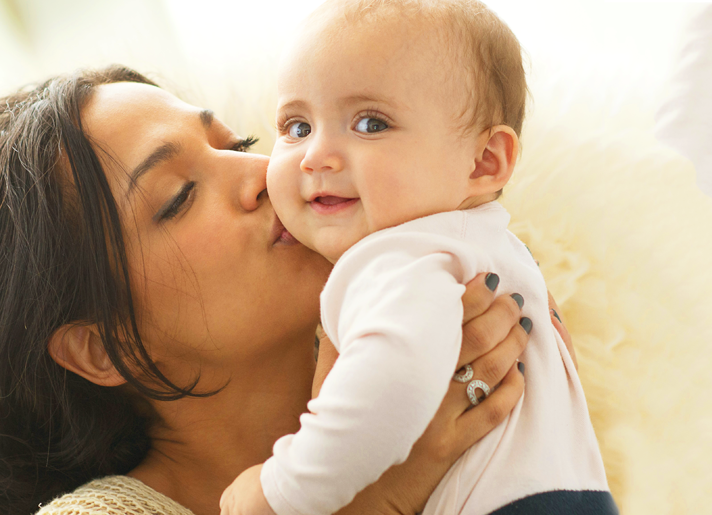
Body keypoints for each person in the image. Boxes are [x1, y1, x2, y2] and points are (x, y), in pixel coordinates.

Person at [0, 64, 561, 515]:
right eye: (180, 195)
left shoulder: (437, 318)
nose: (264, 173)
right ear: (103, 345)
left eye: (237, 142)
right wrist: (381, 496)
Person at [219, 1, 615, 515]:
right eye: (296, 127)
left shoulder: (396, 253)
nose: (316, 155)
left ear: (483, 162)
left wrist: (280, 492)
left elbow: (393, 380)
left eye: (370, 123)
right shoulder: (493, 249)